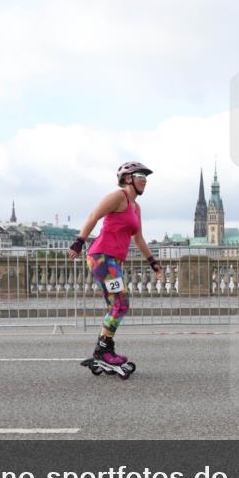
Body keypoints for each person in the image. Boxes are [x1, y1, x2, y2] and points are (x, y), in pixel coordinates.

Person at [68, 161, 162, 375]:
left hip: (113, 261)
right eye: (141, 176)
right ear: (128, 178)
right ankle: (104, 351)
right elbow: (94, 216)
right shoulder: (119, 196)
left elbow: (138, 238)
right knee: (121, 303)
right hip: (101, 257)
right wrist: (79, 242)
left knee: (117, 305)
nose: (145, 181)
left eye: (146, 178)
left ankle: (102, 350)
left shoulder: (136, 207)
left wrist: (153, 262)